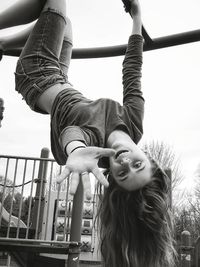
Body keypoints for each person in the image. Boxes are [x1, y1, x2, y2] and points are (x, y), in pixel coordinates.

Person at [0, 0, 176, 266]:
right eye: (137, 165)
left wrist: (74, 150)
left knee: (56, 4)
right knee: (65, 25)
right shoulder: (133, 121)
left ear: (112, 175)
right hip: (59, 74)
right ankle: (2, 43)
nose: (124, 161)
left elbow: (73, 135)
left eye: (122, 173)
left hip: (35, 73)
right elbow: (132, 71)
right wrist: (136, 18)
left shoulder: (94, 148)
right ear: (149, 157)